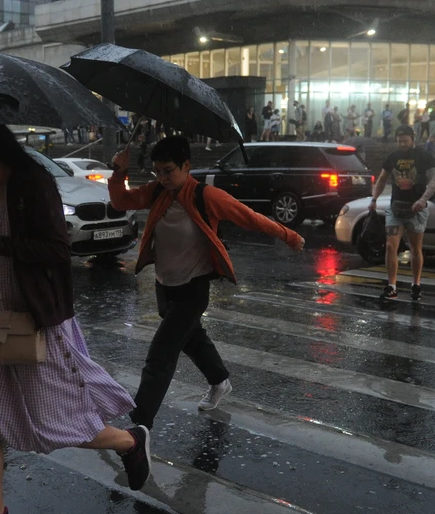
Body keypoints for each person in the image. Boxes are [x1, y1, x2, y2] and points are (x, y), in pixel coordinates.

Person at [0, 125, 149, 514]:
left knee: (55, 417)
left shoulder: (32, 181)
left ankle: (129, 442)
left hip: (36, 321)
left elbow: (57, 249)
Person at [108, 136, 304, 432]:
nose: (162, 178)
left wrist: (289, 236)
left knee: (161, 353)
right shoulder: (156, 192)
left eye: (168, 170)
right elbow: (120, 201)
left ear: (187, 166)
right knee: (192, 337)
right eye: (157, 171)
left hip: (194, 289)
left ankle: (139, 429)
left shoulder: (206, 196)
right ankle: (219, 380)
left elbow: (249, 218)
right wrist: (119, 172)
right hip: (165, 285)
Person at [369, 125, 435, 302]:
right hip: (396, 208)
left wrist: (422, 200)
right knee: (391, 246)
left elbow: (434, 181)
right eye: (399, 141)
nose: (402, 144)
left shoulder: (424, 156)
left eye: (405, 141)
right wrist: (374, 199)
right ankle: (391, 286)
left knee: (415, 248)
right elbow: (382, 178)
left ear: (412, 139)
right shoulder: (393, 157)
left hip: (417, 209)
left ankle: (416, 284)